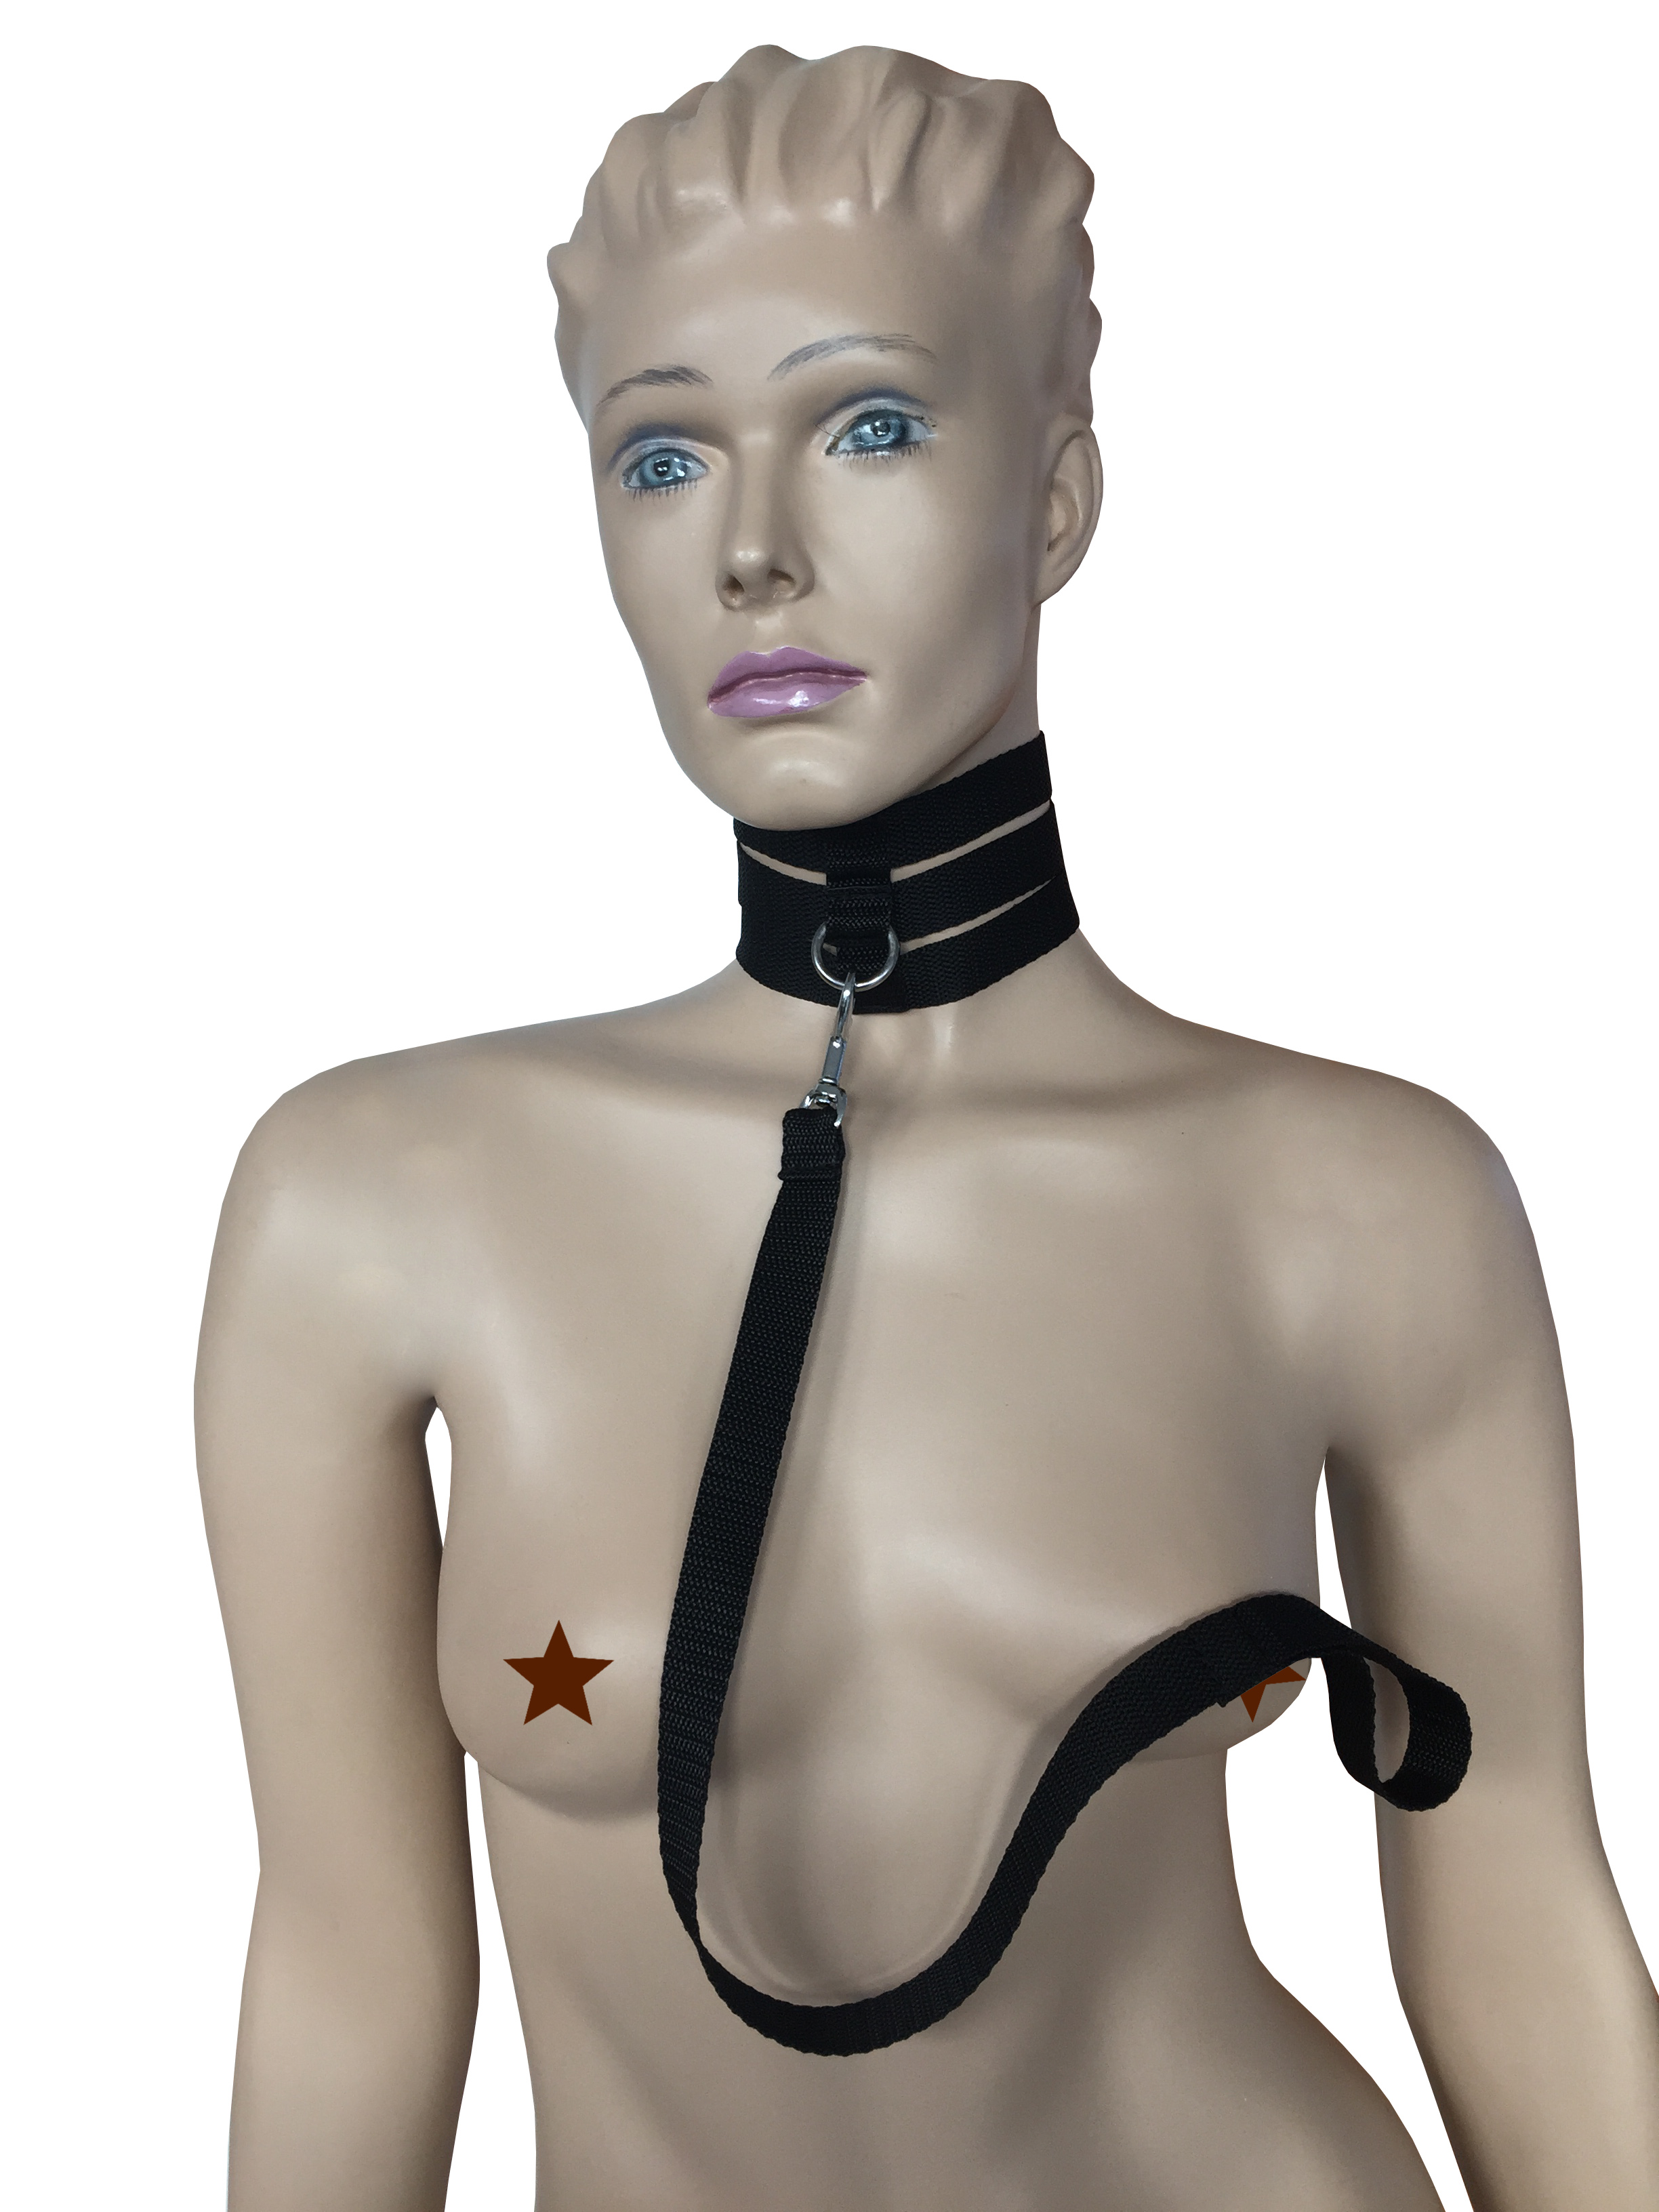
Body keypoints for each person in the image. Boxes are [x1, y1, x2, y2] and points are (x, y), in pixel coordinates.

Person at [197, 44, 1658, 2211]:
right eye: (664, 457)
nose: (755, 554)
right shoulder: (372, 1204)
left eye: (869, 426)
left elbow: (1519, 1910)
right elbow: (349, 1971)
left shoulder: (1361, 1202)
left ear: (1055, 501)